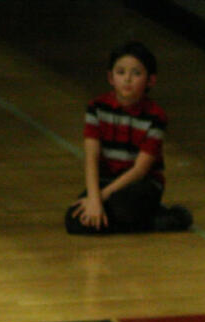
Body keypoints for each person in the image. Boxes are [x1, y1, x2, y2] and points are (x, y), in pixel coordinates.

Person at [65, 41, 192, 235]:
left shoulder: (155, 116)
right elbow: (91, 157)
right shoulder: (96, 108)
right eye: (121, 72)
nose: (127, 79)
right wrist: (93, 198)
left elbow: (140, 170)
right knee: (75, 220)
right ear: (110, 77)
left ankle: (172, 217)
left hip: (141, 185)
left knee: (120, 211)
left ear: (150, 80)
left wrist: (101, 197)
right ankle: (153, 221)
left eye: (136, 73)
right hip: (107, 180)